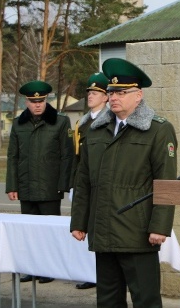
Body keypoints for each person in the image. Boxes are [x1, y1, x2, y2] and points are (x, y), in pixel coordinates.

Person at [70, 58, 178, 308]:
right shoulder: (96, 130)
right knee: (108, 300)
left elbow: (165, 181)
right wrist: (79, 221)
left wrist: (160, 227)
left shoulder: (157, 130)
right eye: (111, 92)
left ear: (138, 95)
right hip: (103, 230)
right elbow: (83, 179)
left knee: (146, 300)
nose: (113, 97)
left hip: (137, 233)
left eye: (121, 92)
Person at [6, 80, 74, 284]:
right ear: (27, 102)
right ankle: (32, 268)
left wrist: (63, 184)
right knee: (29, 232)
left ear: (46, 101)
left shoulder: (60, 122)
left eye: (41, 101)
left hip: (49, 187)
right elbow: (13, 157)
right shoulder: (18, 124)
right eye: (33, 102)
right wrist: (12, 186)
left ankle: (48, 269)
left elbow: (67, 155)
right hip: (26, 186)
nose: (37, 105)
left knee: (49, 231)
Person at [69, 72, 109, 290]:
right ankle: (90, 274)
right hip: (85, 183)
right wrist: (73, 185)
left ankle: (102, 277)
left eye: (96, 92)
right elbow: (77, 160)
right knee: (85, 230)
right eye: (89, 92)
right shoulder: (82, 124)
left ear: (105, 97)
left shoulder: (109, 121)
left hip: (101, 183)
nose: (90, 96)